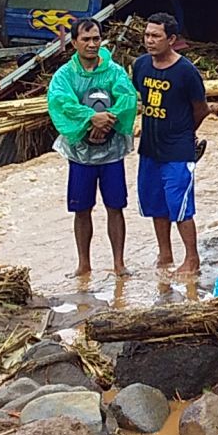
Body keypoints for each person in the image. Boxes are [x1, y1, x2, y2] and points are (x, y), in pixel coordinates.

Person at [47, 18, 138, 278]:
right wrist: (91, 118)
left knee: (115, 206)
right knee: (81, 208)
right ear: (74, 42)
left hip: (111, 152)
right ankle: (84, 264)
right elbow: (61, 103)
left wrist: (106, 119)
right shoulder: (65, 75)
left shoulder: (114, 71)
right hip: (80, 154)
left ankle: (119, 263)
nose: (92, 44)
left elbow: (128, 98)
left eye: (96, 38)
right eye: (85, 39)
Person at [132, 12, 210, 276]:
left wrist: (184, 134)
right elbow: (141, 100)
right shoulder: (140, 65)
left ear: (172, 39)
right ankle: (165, 253)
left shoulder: (186, 71)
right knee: (156, 204)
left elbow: (201, 109)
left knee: (181, 207)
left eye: (156, 36)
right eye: (147, 35)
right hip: (150, 148)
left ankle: (192, 259)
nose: (149, 41)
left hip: (177, 151)